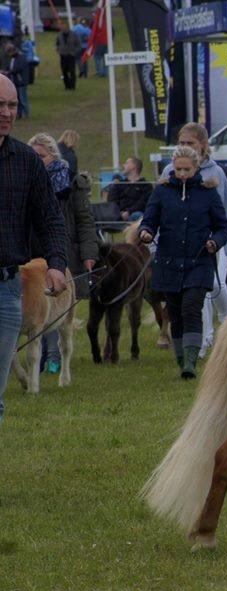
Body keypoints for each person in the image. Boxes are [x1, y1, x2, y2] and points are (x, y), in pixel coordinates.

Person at [0, 75, 69, 425]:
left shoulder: (26, 161)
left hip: (7, 289)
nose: (7, 112)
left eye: (12, 104)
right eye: (0, 104)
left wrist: (57, 262)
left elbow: (51, 218)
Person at [139, 145, 227, 379]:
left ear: (195, 168)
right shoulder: (161, 192)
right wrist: (146, 231)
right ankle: (181, 358)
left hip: (199, 262)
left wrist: (215, 242)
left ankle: (190, 361)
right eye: (178, 169)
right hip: (168, 263)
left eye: (186, 170)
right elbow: (149, 220)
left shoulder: (208, 193)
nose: (181, 174)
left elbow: (223, 227)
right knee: (176, 313)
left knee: (192, 307)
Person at [167, 123, 227, 358]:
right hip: (181, 245)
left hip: (213, 242)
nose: (185, 147)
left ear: (203, 144)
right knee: (195, 291)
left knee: (216, 286)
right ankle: (204, 339)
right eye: (181, 142)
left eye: (189, 143)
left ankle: (226, 319)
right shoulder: (169, 171)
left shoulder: (216, 172)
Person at [28, 133, 98, 373]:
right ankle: (41, 357)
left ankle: (54, 356)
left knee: (58, 304)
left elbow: (84, 221)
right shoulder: (26, 181)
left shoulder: (71, 183)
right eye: (33, 155)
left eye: (41, 156)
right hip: (32, 253)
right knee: (38, 306)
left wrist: (89, 252)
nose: (37, 160)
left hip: (62, 251)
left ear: (52, 156)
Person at [107, 156, 153, 221]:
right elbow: (111, 201)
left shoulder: (146, 185)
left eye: (126, 163)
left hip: (136, 215)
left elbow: (143, 203)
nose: (123, 165)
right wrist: (120, 212)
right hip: (118, 215)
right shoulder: (119, 185)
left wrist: (129, 212)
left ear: (133, 166)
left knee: (138, 215)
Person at [2, 43, 29, 119]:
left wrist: (9, 72)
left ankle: (25, 113)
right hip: (16, 82)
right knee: (19, 99)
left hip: (21, 81)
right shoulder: (13, 58)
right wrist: (5, 71)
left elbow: (18, 68)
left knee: (23, 99)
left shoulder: (21, 57)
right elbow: (11, 67)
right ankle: (20, 114)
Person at [55, 24, 81, 91]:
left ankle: (72, 86)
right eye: (63, 28)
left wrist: (74, 52)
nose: (64, 29)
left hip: (71, 55)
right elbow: (57, 43)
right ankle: (67, 86)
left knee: (72, 71)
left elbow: (78, 44)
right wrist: (58, 50)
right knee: (64, 71)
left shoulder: (74, 35)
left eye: (65, 28)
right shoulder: (59, 35)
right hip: (63, 56)